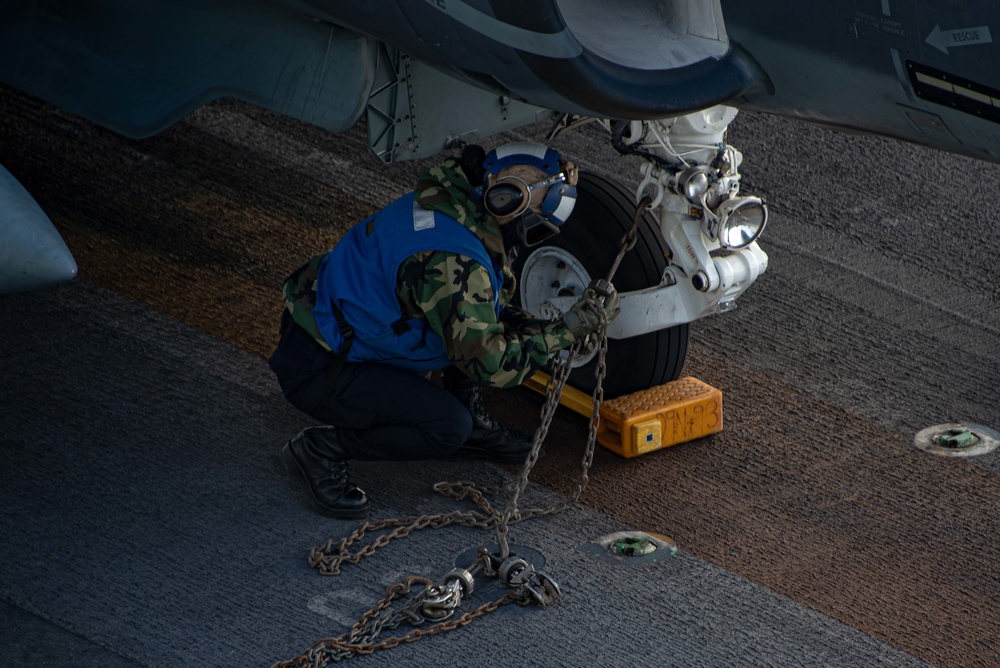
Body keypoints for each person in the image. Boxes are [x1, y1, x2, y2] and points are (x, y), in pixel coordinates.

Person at [268, 142, 620, 518]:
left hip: (324, 322)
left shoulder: (451, 204)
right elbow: (493, 364)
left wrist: (551, 327)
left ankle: (475, 434)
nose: (533, 235)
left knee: (474, 324)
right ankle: (321, 449)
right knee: (448, 426)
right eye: (535, 224)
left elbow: (483, 314)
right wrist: (565, 333)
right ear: (504, 201)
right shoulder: (457, 264)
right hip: (320, 368)